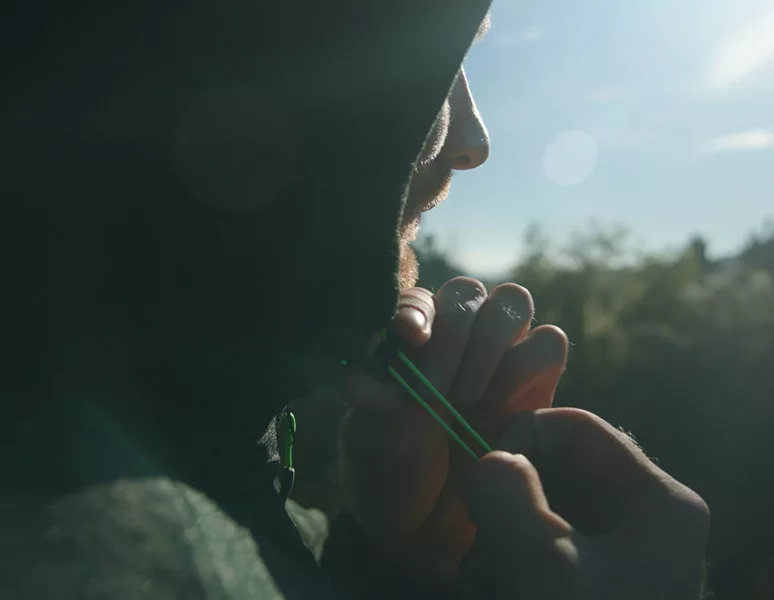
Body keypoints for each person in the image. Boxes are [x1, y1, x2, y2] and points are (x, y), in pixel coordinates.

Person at [1, 1, 709, 599]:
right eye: (444, 64)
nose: (474, 142)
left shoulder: (169, 461)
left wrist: (406, 560)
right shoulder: (132, 558)